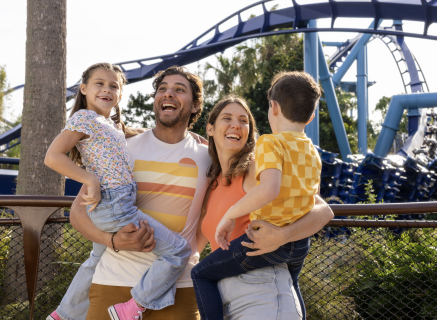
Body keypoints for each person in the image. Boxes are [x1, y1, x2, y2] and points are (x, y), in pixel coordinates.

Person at [68, 66, 332, 320]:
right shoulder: (125, 147)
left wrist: (283, 235)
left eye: (179, 89)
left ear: (195, 105)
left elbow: (320, 208)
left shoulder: (222, 161)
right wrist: (112, 241)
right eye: (163, 88)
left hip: (179, 287)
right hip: (114, 280)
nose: (169, 93)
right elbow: (79, 212)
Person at [44, 63, 191, 320]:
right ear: (84, 89)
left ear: (120, 95)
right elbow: (52, 157)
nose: (107, 89)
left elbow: (130, 135)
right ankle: (131, 307)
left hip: (111, 205)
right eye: (99, 84)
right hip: (115, 206)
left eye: (114, 86)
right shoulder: (84, 118)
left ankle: (64, 315)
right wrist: (89, 179)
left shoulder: (109, 126)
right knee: (177, 250)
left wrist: (192, 137)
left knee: (95, 260)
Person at [191, 71, 325, 320]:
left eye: (243, 120)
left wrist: (283, 235)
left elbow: (324, 210)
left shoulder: (258, 165)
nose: (235, 125)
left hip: (262, 295)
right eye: (227, 118)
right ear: (210, 128)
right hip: (230, 298)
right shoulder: (212, 183)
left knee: (200, 273)